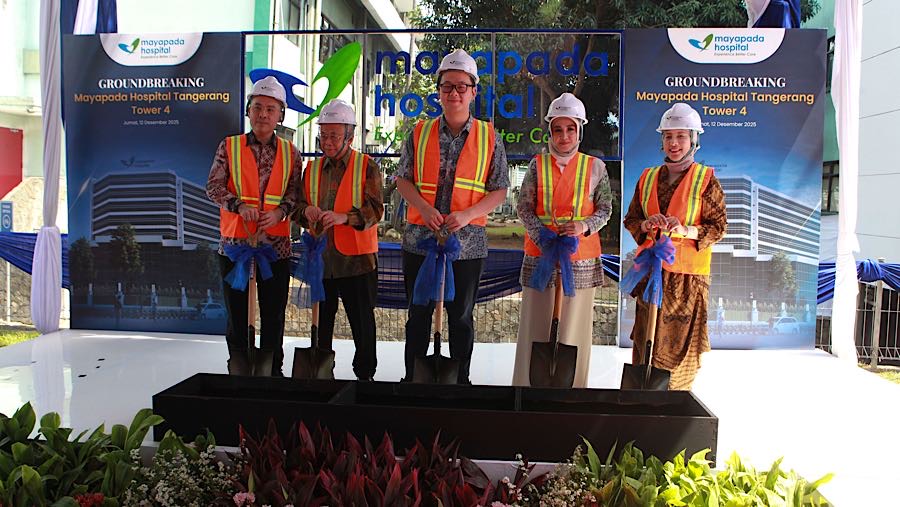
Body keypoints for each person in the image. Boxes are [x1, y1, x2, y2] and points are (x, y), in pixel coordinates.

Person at [395, 48, 509, 384]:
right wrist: (424, 208)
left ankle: (460, 383)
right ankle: (414, 380)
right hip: (420, 241)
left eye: (462, 86)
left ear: (473, 91)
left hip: (468, 246)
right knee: (418, 314)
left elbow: (499, 190)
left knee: (460, 317)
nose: (454, 93)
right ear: (438, 91)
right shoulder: (419, 133)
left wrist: (468, 214)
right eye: (447, 86)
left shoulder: (490, 137)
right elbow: (403, 180)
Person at [623, 103, 727, 390]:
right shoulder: (647, 178)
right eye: (668, 136)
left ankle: (674, 401)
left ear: (693, 139)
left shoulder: (706, 180)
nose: (674, 143)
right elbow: (632, 218)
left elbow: (718, 227)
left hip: (686, 281)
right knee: (645, 340)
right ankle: (641, 401)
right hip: (651, 275)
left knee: (680, 350)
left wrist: (685, 230)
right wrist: (646, 225)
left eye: (681, 136)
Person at [512, 93, 613, 388]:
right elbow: (524, 207)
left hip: (579, 260)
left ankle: (573, 391)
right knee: (535, 327)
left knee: (573, 331)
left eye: (570, 129)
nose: (564, 136)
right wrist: (540, 234)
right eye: (558, 129)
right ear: (550, 132)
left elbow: (605, 209)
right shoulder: (537, 165)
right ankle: (526, 389)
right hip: (541, 257)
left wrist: (583, 226)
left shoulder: (596, 168)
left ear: (579, 131)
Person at [206, 75, 302, 376]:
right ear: (248, 111)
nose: (263, 114)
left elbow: (295, 194)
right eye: (258, 107)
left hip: (276, 247)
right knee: (237, 314)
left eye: (271, 109)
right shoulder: (229, 146)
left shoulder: (291, 152)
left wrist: (279, 213)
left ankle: (272, 371)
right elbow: (213, 187)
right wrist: (239, 206)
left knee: (273, 314)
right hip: (235, 246)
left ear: (280, 115)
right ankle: (239, 369)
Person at [295, 99, 383, 381]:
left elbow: (375, 210)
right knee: (321, 321)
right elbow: (297, 208)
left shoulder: (366, 166)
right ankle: (321, 374)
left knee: (362, 323)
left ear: (350, 136)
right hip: (322, 260)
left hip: (357, 262)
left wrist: (345, 217)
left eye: (334, 135)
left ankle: (365, 377)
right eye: (324, 135)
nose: (328, 141)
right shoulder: (311, 169)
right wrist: (306, 212)